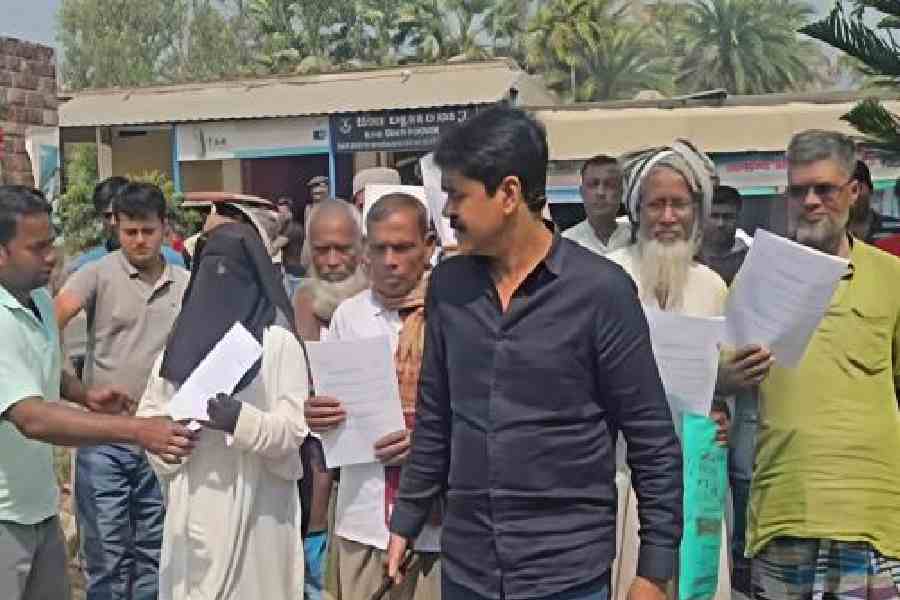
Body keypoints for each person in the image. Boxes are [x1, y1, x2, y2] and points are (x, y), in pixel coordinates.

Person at [380, 107, 683, 600]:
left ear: (509, 194)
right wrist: (406, 522)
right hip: (469, 569)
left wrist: (654, 572)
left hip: (565, 572)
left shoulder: (600, 293)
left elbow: (652, 439)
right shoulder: (449, 287)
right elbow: (436, 419)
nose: (449, 211)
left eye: (458, 195)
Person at [0, 185, 194, 600]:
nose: (51, 257)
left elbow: (43, 369)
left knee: (151, 554)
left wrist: (83, 393)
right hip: (5, 515)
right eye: (37, 248)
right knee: (107, 558)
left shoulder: (35, 299)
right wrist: (135, 430)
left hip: (38, 506)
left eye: (50, 243)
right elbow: (31, 417)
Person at [607, 142, 772, 599]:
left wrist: (724, 409)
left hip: (697, 474)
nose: (666, 216)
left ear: (695, 212)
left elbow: (721, 387)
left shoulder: (713, 287)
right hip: (624, 474)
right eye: (655, 204)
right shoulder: (606, 277)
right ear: (637, 211)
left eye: (678, 203)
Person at [749, 130, 900, 600]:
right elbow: (716, 378)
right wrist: (727, 379)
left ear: (853, 193)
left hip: (873, 520)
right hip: (783, 514)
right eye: (798, 190)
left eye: (824, 189)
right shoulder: (759, 277)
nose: (810, 201)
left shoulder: (893, 277)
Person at [137, 222, 309, 600]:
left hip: (258, 515)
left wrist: (240, 420)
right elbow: (149, 425)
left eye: (231, 272)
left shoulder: (279, 345)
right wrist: (174, 436)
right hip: (193, 509)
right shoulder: (176, 348)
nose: (221, 283)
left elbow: (294, 431)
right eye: (211, 271)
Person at [306, 193, 441, 600]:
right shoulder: (350, 316)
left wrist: (427, 445)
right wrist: (318, 416)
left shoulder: (453, 313)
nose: (389, 260)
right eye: (379, 248)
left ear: (429, 246)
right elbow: (335, 421)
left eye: (401, 248)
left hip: (440, 529)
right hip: (362, 522)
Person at [291, 199, 368, 600]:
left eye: (343, 248)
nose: (333, 261)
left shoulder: (383, 307)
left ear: (362, 247)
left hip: (369, 487)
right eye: (322, 250)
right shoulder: (293, 305)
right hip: (310, 485)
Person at [563, 154, 631, 254]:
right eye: (593, 184)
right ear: (582, 192)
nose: (600, 192)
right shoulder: (566, 245)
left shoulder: (638, 238)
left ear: (621, 192)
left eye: (610, 185)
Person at [699, 185, 750, 286]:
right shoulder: (687, 259)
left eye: (728, 217)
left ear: (738, 219)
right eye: (714, 216)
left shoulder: (750, 260)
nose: (720, 223)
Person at [274, 193, 307, 297]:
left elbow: (273, 249)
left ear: (290, 213)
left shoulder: (291, 229)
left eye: (282, 214)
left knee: (294, 303)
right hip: (294, 271)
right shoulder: (293, 227)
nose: (279, 216)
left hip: (294, 273)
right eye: (279, 213)